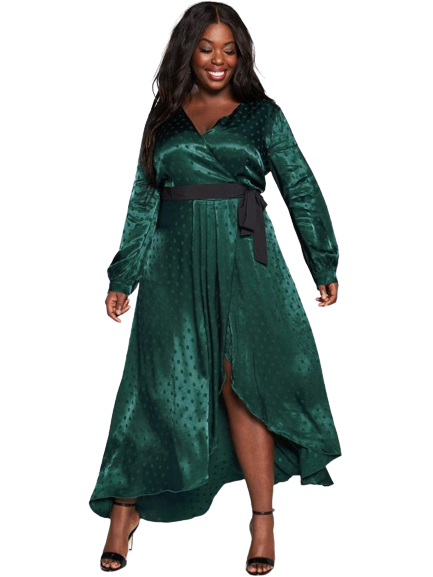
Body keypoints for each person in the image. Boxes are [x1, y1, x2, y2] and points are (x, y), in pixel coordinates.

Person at [91, 2, 341, 574]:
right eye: (206, 48)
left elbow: (300, 186)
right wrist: (122, 276)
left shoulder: (263, 116)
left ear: (242, 56)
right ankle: (124, 513)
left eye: (229, 49)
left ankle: (263, 522)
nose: (218, 59)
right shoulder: (163, 118)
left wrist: (323, 261)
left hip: (244, 260)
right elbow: (142, 203)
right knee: (155, 384)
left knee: (241, 381)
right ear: (188, 52)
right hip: (172, 264)